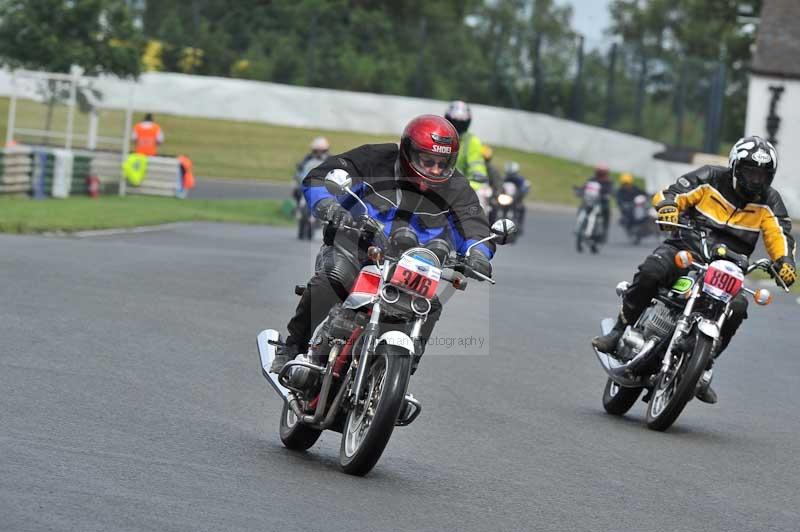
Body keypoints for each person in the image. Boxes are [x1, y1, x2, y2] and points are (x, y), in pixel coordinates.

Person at [271, 115, 496, 373]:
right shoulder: (374, 159)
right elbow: (321, 177)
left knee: (429, 305)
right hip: (357, 248)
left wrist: (478, 254)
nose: (435, 169)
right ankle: (293, 347)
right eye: (428, 161)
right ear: (409, 153)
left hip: (412, 264)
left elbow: (474, 224)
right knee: (333, 279)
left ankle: (399, 374)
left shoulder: (456, 186)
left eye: (442, 163)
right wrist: (328, 205)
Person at [592, 136, 796, 403]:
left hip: (728, 267)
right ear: (735, 167)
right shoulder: (711, 177)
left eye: (762, 174)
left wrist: (785, 262)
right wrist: (667, 206)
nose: (755, 180)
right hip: (686, 248)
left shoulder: (770, 201)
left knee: (738, 307)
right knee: (653, 271)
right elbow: (673, 192)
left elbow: (779, 234)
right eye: (750, 172)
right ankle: (620, 329)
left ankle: (702, 365)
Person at [444, 101, 488, 190]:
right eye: (454, 122)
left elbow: (477, 166)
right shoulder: (439, 135)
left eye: (461, 123)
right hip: (436, 185)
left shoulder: (472, 141)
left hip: (460, 189)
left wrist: (468, 186)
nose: (457, 126)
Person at [293, 136, 331, 202]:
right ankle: (298, 207)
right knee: (296, 189)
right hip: (308, 184)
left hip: (325, 186)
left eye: (322, 151)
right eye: (316, 151)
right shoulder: (307, 159)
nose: (319, 154)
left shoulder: (331, 160)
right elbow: (299, 171)